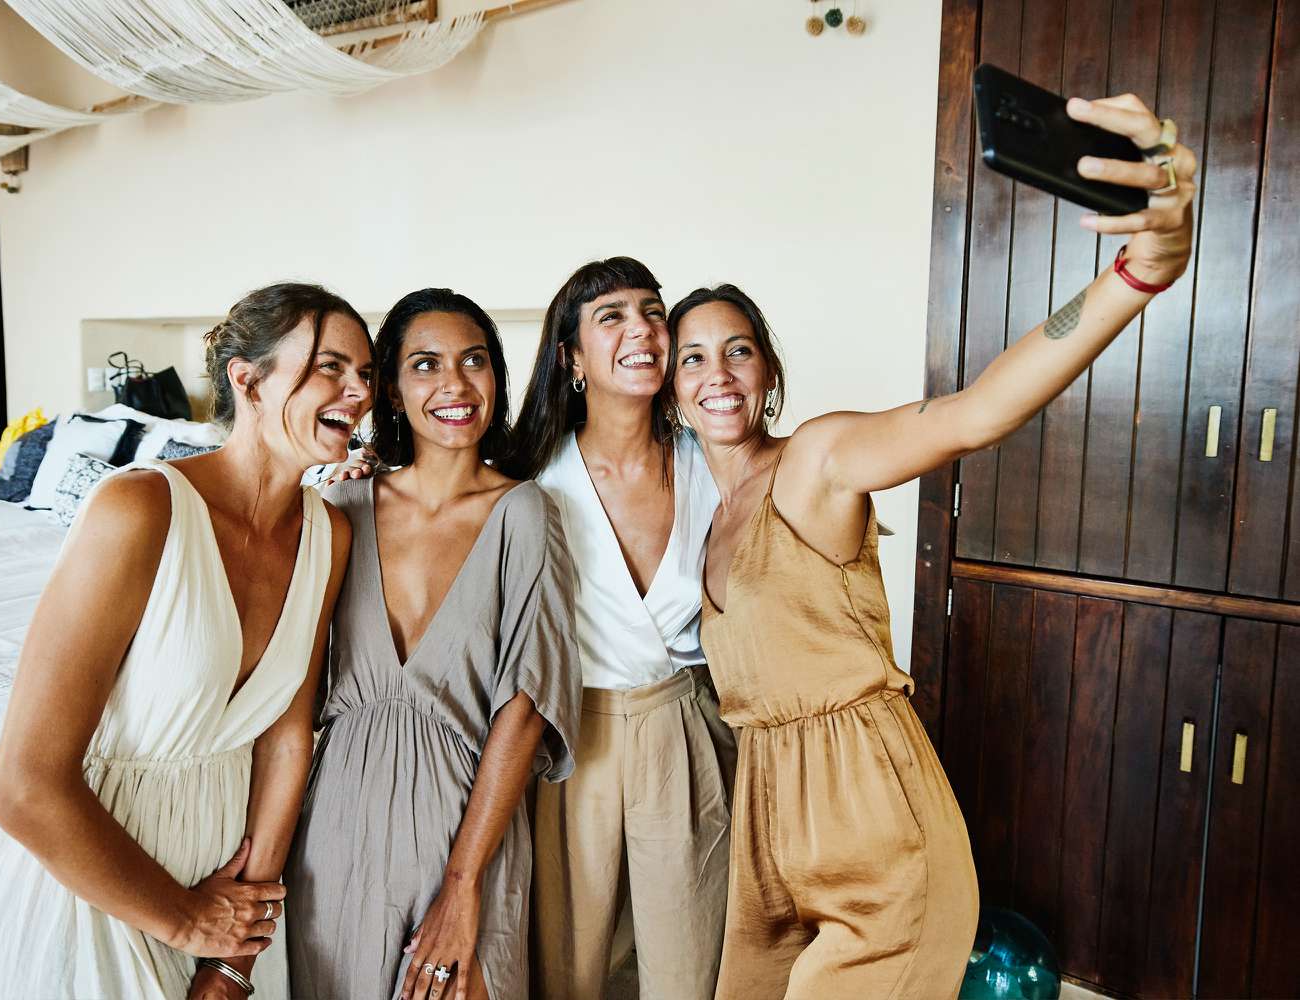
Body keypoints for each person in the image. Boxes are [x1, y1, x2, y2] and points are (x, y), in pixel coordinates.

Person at [667, 95, 1198, 998]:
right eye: (692, 357)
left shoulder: (820, 459)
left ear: (768, 373)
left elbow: (976, 412)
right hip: (771, 838)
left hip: (878, 832)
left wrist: (1139, 272)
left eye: (739, 350)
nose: (717, 373)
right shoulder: (704, 516)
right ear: (673, 389)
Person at [0, 283, 369, 1000]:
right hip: (87, 891)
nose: (359, 391)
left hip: (229, 903)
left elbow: (286, 740)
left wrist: (234, 953)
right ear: (248, 379)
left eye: (366, 374)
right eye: (331, 367)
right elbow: (23, 787)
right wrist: (185, 921)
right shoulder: (138, 508)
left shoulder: (329, 535)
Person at [285, 288, 580, 1000]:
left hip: (464, 827)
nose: (455, 383)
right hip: (336, 829)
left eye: (474, 360)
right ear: (389, 388)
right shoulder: (339, 509)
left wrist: (463, 883)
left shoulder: (524, 512)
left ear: (497, 378)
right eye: (425, 364)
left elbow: (525, 705)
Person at [514, 257, 736, 1000]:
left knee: (688, 958)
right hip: (573, 741)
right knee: (572, 963)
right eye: (611, 316)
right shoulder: (529, 477)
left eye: (652, 311)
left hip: (684, 725)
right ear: (571, 356)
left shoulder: (711, 459)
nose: (642, 329)